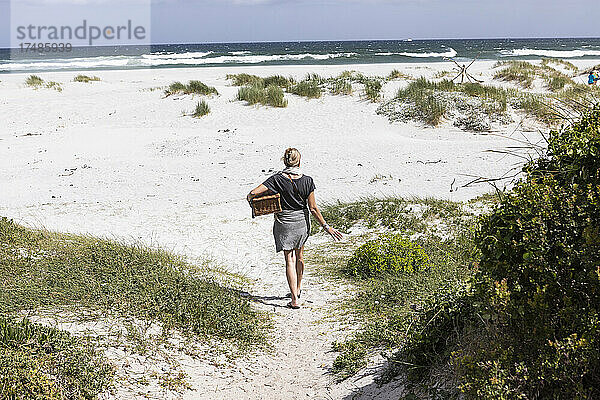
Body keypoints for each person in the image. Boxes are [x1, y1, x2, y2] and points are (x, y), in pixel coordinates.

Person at [247, 148, 343, 309]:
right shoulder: (308, 181)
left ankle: (294, 299)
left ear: (284, 161)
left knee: (289, 260)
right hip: (301, 222)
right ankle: (298, 288)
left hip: (284, 221)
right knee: (300, 256)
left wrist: (252, 201)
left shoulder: (277, 179)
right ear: (299, 161)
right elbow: (313, 208)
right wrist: (327, 227)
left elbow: (253, 192)